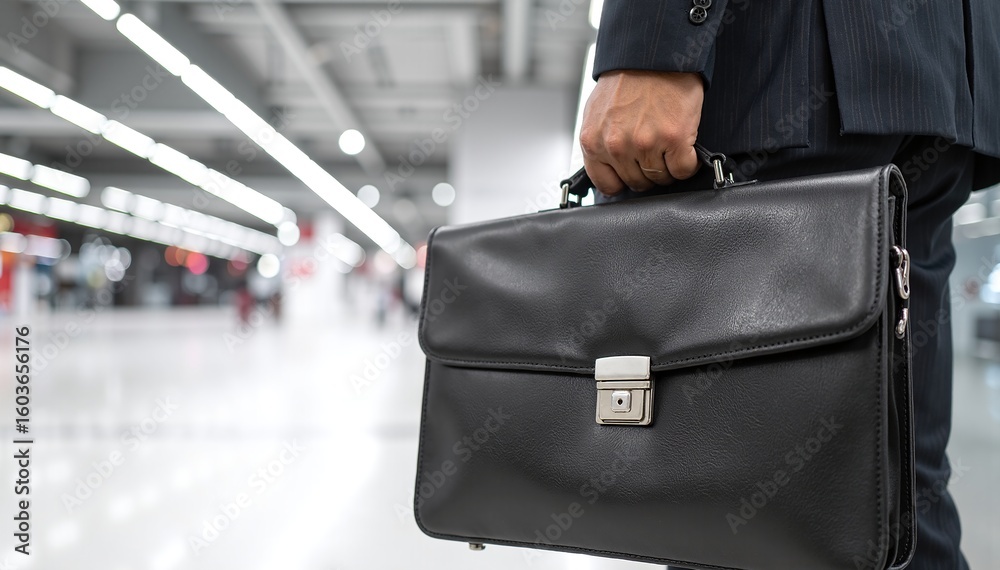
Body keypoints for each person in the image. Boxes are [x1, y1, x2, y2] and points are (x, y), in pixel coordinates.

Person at [580, 1, 1000, 569]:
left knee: (750, 510)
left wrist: (656, 44)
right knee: (896, 494)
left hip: (795, 70)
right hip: (936, 81)